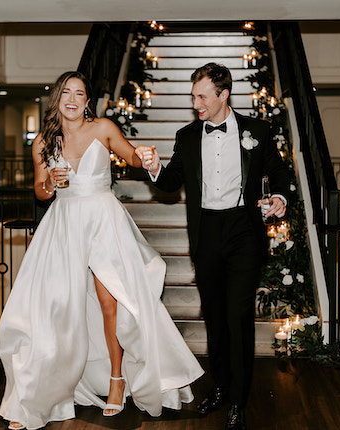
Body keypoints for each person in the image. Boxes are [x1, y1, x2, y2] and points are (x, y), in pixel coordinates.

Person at [0, 71, 204, 430]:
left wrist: (145, 156)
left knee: (111, 304)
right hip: (64, 226)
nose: (73, 99)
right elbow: (40, 192)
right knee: (56, 307)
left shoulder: (103, 128)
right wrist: (50, 181)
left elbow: (134, 159)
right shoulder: (43, 143)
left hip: (104, 223)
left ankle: (116, 380)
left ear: (87, 101)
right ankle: (41, 393)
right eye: (66, 93)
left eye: (80, 93)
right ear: (57, 100)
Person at [135, 62, 290, 430]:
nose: (196, 104)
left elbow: (279, 170)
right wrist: (155, 167)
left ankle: (239, 399)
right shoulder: (187, 136)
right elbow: (171, 182)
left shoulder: (258, 131)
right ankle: (221, 385)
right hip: (205, 233)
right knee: (216, 317)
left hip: (243, 231)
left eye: (202, 96)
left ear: (224, 95)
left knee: (238, 317)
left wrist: (281, 195)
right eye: (193, 97)